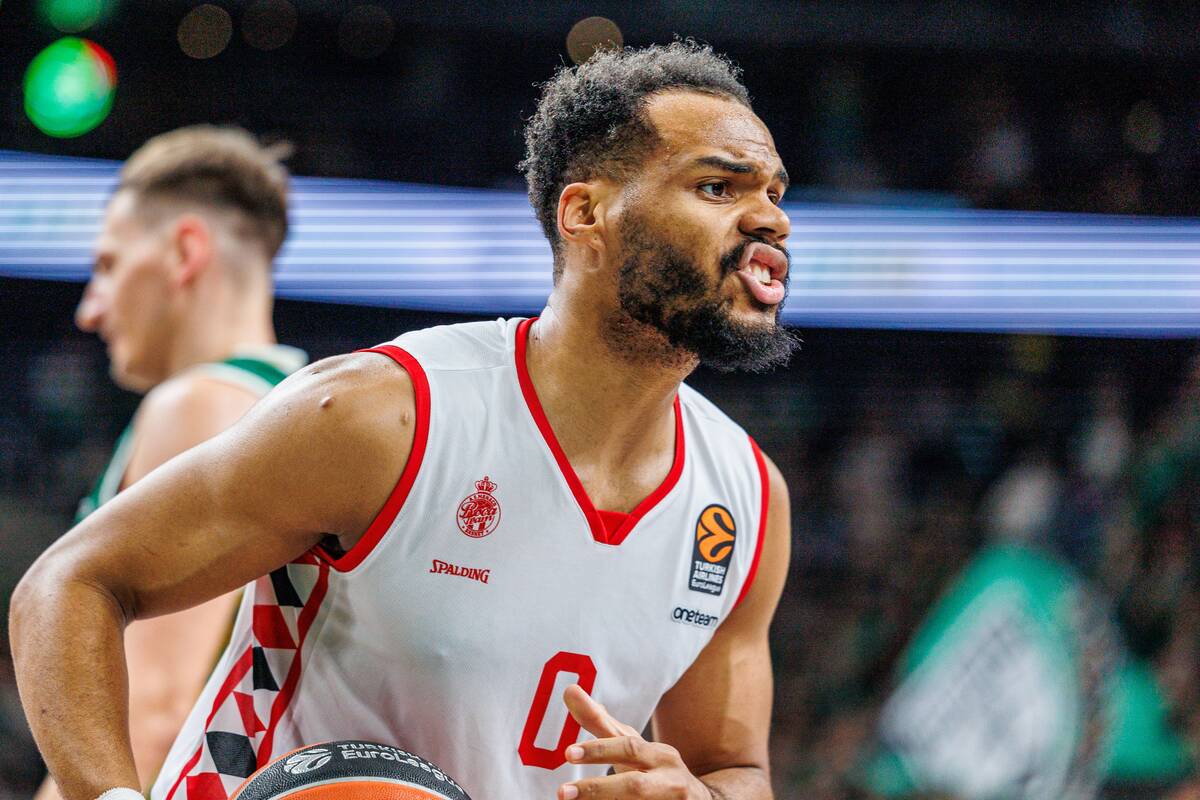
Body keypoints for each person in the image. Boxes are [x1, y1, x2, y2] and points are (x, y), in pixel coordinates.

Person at [12, 42, 794, 800]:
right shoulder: (386, 414)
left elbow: (735, 768)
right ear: (585, 213)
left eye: (774, 194)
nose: (769, 220)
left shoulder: (749, 501)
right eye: (718, 188)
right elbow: (70, 581)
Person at [30, 126, 307, 800]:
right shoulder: (299, 405)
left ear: (184, 252)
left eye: (107, 266)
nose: (89, 310)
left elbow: (150, 711)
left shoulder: (201, 405)